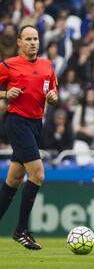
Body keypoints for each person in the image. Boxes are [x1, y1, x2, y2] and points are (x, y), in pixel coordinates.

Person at [0, 25, 58, 250]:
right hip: (17, 122)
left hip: (36, 124)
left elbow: (52, 91)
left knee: (14, 179)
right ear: (19, 42)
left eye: (35, 39)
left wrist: (53, 97)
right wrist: (5, 93)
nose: (33, 42)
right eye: (28, 39)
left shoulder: (47, 65)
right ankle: (21, 230)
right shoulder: (8, 65)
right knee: (38, 174)